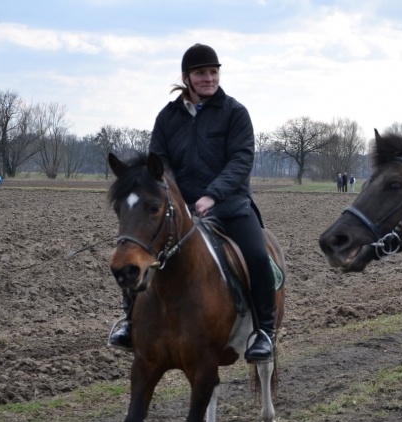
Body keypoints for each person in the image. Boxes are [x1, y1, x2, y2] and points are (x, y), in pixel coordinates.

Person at [107, 43, 278, 364]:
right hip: (181, 212)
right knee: (136, 249)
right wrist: (178, 199)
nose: (209, 78)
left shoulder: (235, 113)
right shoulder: (167, 117)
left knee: (258, 256)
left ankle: (265, 331)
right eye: (201, 73)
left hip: (231, 207)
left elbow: (241, 160)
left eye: (214, 72)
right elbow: (160, 165)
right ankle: (130, 322)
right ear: (187, 77)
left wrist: (212, 194)